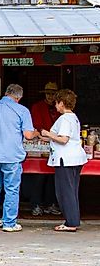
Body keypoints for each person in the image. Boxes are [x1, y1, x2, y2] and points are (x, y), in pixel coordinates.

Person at [0, 84, 38, 232]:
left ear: (5, 93)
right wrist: (36, 133)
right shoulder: (22, 110)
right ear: (19, 97)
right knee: (11, 189)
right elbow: (28, 135)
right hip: (12, 156)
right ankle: (9, 223)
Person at [41, 89, 88, 232]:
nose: (55, 105)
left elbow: (63, 139)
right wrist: (42, 135)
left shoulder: (65, 119)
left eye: (56, 103)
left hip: (65, 159)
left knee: (64, 192)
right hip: (75, 158)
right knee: (71, 190)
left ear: (61, 103)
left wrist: (47, 133)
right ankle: (73, 220)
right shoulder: (73, 117)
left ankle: (71, 223)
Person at [27, 82, 61, 216]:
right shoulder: (37, 107)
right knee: (38, 175)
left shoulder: (60, 108)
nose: (50, 96)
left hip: (56, 144)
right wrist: (44, 134)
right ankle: (36, 204)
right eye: (48, 93)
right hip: (40, 143)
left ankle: (50, 204)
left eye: (53, 94)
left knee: (53, 176)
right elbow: (36, 124)